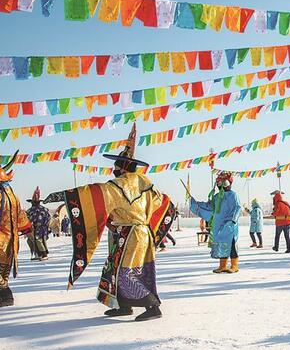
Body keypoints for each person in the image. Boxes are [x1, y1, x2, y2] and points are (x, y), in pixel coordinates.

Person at [43, 124, 176, 321]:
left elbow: (93, 194)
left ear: (122, 167)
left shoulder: (117, 185)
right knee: (114, 268)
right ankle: (123, 305)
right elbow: (166, 203)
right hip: (139, 233)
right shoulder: (147, 186)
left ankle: (152, 306)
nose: (113, 170)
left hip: (131, 235)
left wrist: (63, 195)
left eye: (116, 166)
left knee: (125, 272)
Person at [190, 171, 241, 273]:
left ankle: (234, 265)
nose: (221, 186)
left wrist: (232, 220)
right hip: (219, 225)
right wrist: (196, 203)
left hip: (229, 224)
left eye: (224, 183)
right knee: (221, 245)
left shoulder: (233, 195)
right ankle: (223, 266)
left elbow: (237, 208)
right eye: (219, 183)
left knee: (231, 244)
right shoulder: (217, 197)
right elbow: (209, 206)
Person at [0, 152, 32, 307]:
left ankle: (5, 295)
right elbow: (20, 215)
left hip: (1, 239)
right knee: (3, 271)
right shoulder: (12, 193)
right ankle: (6, 297)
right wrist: (26, 228)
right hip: (11, 240)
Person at [25, 187, 51, 261]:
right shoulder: (44, 209)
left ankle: (44, 255)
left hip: (37, 228)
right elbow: (49, 218)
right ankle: (38, 254)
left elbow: (28, 219)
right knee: (31, 241)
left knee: (38, 241)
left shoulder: (31, 210)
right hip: (39, 228)